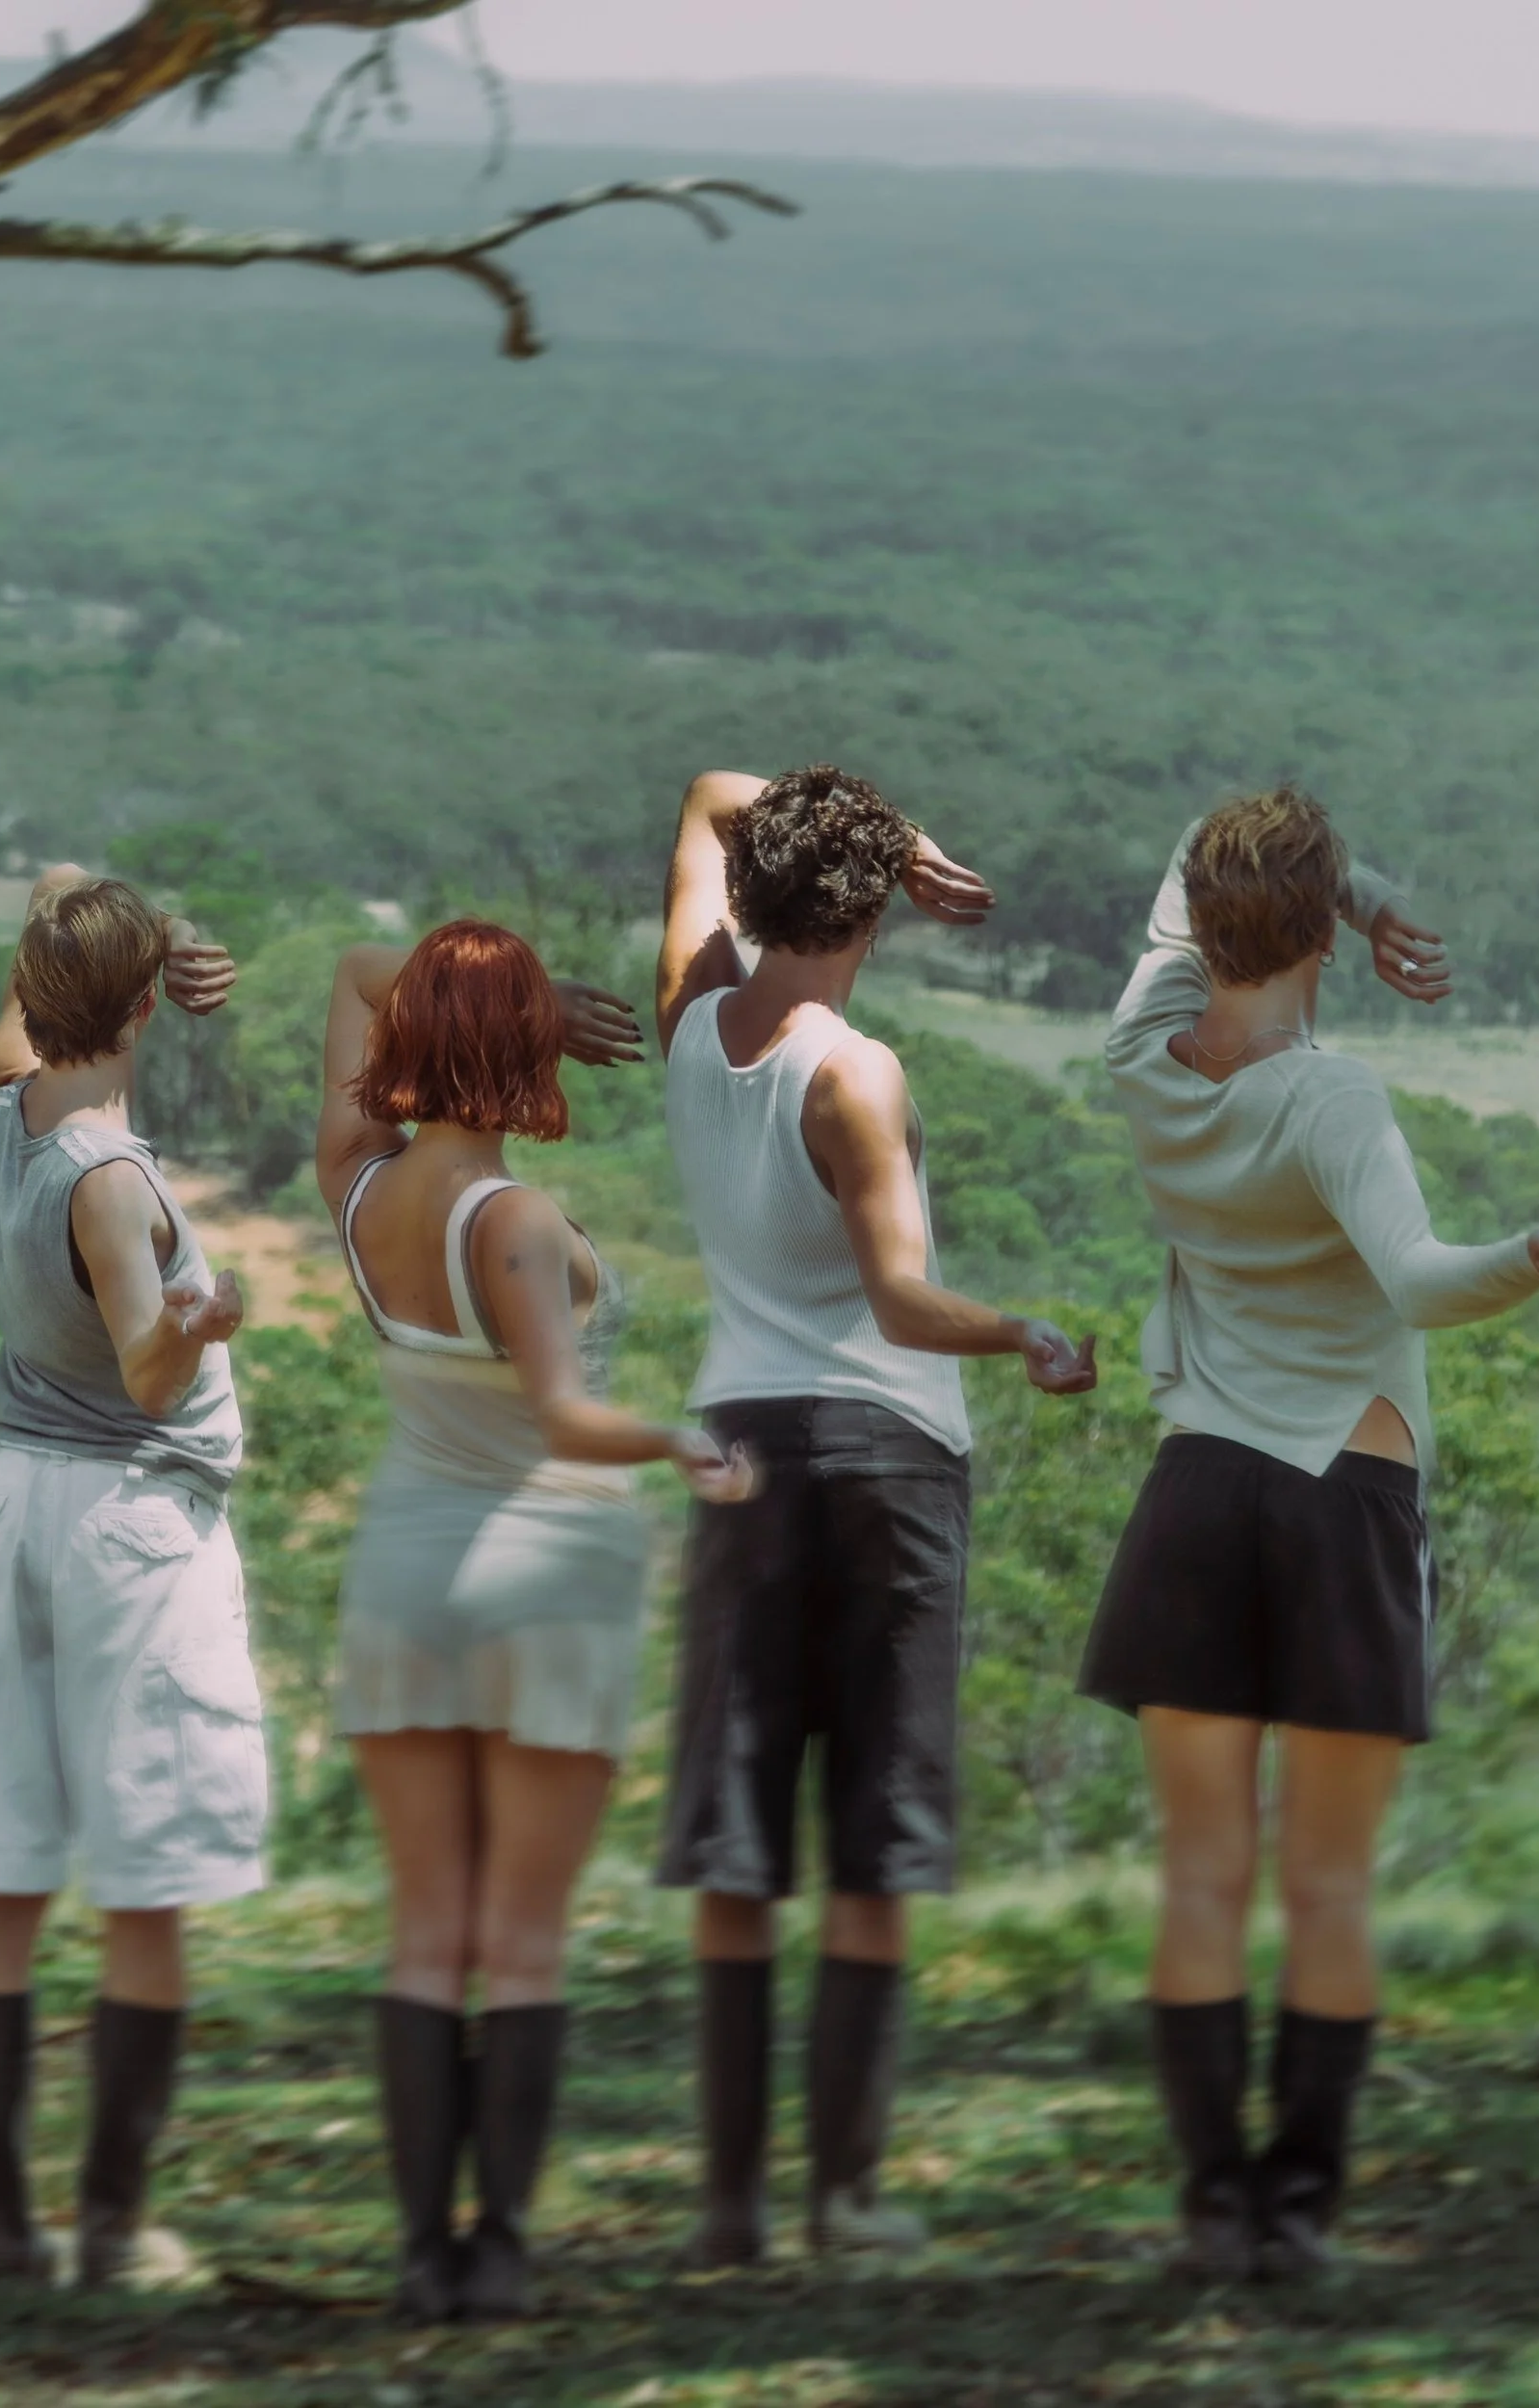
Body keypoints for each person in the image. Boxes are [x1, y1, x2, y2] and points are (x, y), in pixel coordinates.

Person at [1079, 788, 1539, 2279]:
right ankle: (1298, 2215)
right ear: (1319, 930)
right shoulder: (1332, 1099)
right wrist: (1534, 1257)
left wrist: (1351, 901)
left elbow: (1199, 832)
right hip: (1343, 1497)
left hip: (1196, 1494)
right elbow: (1421, 1278)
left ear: (1195, 920)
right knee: (1326, 1887)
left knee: (1201, 1878)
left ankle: (1212, 2211)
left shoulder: (1144, 1051)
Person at [653, 765, 1098, 2268]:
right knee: (873, 1836)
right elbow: (904, 1302)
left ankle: (725, 2204)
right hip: (882, 1460)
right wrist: (1025, 1329)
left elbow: (714, 789)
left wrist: (879, 839)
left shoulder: (688, 1017)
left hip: (738, 1445)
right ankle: (841, 2197)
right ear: (872, 912)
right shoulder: (855, 1072)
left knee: (737, 1831)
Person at [314, 922, 754, 2322]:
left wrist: (480, 999)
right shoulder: (506, 1217)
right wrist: (685, 1443)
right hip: (544, 1571)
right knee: (523, 1939)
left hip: (404, 1573)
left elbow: (348, 967)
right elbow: (565, 1411)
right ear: (523, 1047)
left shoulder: (359, 1187)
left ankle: (414, 2248)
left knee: (425, 1926)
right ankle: (496, 2245)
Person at [0, 867, 261, 2291]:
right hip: (128, 1525)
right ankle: (113, 2224)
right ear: (148, 1003)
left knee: (2, 1879)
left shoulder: (1, 1104)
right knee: (142, 1884)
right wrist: (203, 1312)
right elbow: (147, 1364)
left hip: (12, 1511)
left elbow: (56, 893)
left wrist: (142, 930)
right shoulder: (107, 1175)